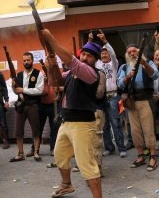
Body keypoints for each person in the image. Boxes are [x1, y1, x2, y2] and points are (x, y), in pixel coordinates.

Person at [39, 29, 103, 198]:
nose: (85, 57)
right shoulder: (71, 73)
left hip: (83, 124)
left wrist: (51, 39)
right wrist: (52, 66)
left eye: (89, 56)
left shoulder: (91, 73)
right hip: (66, 122)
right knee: (59, 156)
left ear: (95, 60)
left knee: (86, 165)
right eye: (83, 54)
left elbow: (71, 61)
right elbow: (55, 82)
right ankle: (66, 184)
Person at [118, 44, 159, 172]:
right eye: (129, 52)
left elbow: (155, 75)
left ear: (139, 52)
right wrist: (128, 76)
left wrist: (144, 64)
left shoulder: (148, 62)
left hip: (145, 100)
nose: (132, 54)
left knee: (148, 128)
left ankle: (152, 157)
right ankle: (140, 156)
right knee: (135, 131)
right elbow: (119, 83)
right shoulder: (124, 67)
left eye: (134, 51)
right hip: (131, 102)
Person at [94, 32, 127, 158]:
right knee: (104, 124)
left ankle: (121, 148)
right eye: (102, 53)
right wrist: (91, 42)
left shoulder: (113, 64)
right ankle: (109, 147)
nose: (104, 55)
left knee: (116, 122)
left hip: (113, 96)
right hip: (102, 97)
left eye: (105, 53)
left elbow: (113, 53)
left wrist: (105, 41)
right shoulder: (98, 64)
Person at [10, 52, 44, 162]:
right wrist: (13, 87)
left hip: (33, 105)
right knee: (18, 131)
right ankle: (20, 154)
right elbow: (16, 92)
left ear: (32, 60)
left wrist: (23, 90)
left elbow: (39, 90)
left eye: (28, 60)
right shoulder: (19, 75)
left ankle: (36, 152)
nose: (26, 62)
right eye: (24, 60)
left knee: (36, 130)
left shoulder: (38, 74)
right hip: (21, 106)